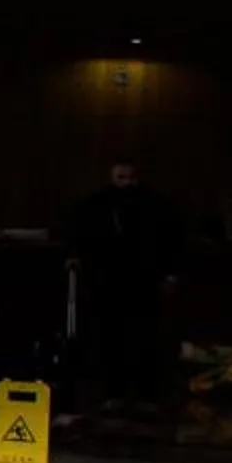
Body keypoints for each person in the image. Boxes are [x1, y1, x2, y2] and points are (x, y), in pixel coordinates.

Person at [65, 159, 183, 410]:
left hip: (144, 280)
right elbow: (79, 235)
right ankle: (113, 393)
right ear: (112, 177)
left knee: (147, 339)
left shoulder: (154, 205)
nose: (126, 183)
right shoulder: (96, 204)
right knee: (110, 339)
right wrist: (76, 257)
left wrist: (170, 274)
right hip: (108, 281)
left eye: (130, 178)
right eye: (121, 178)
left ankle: (147, 395)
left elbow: (171, 240)